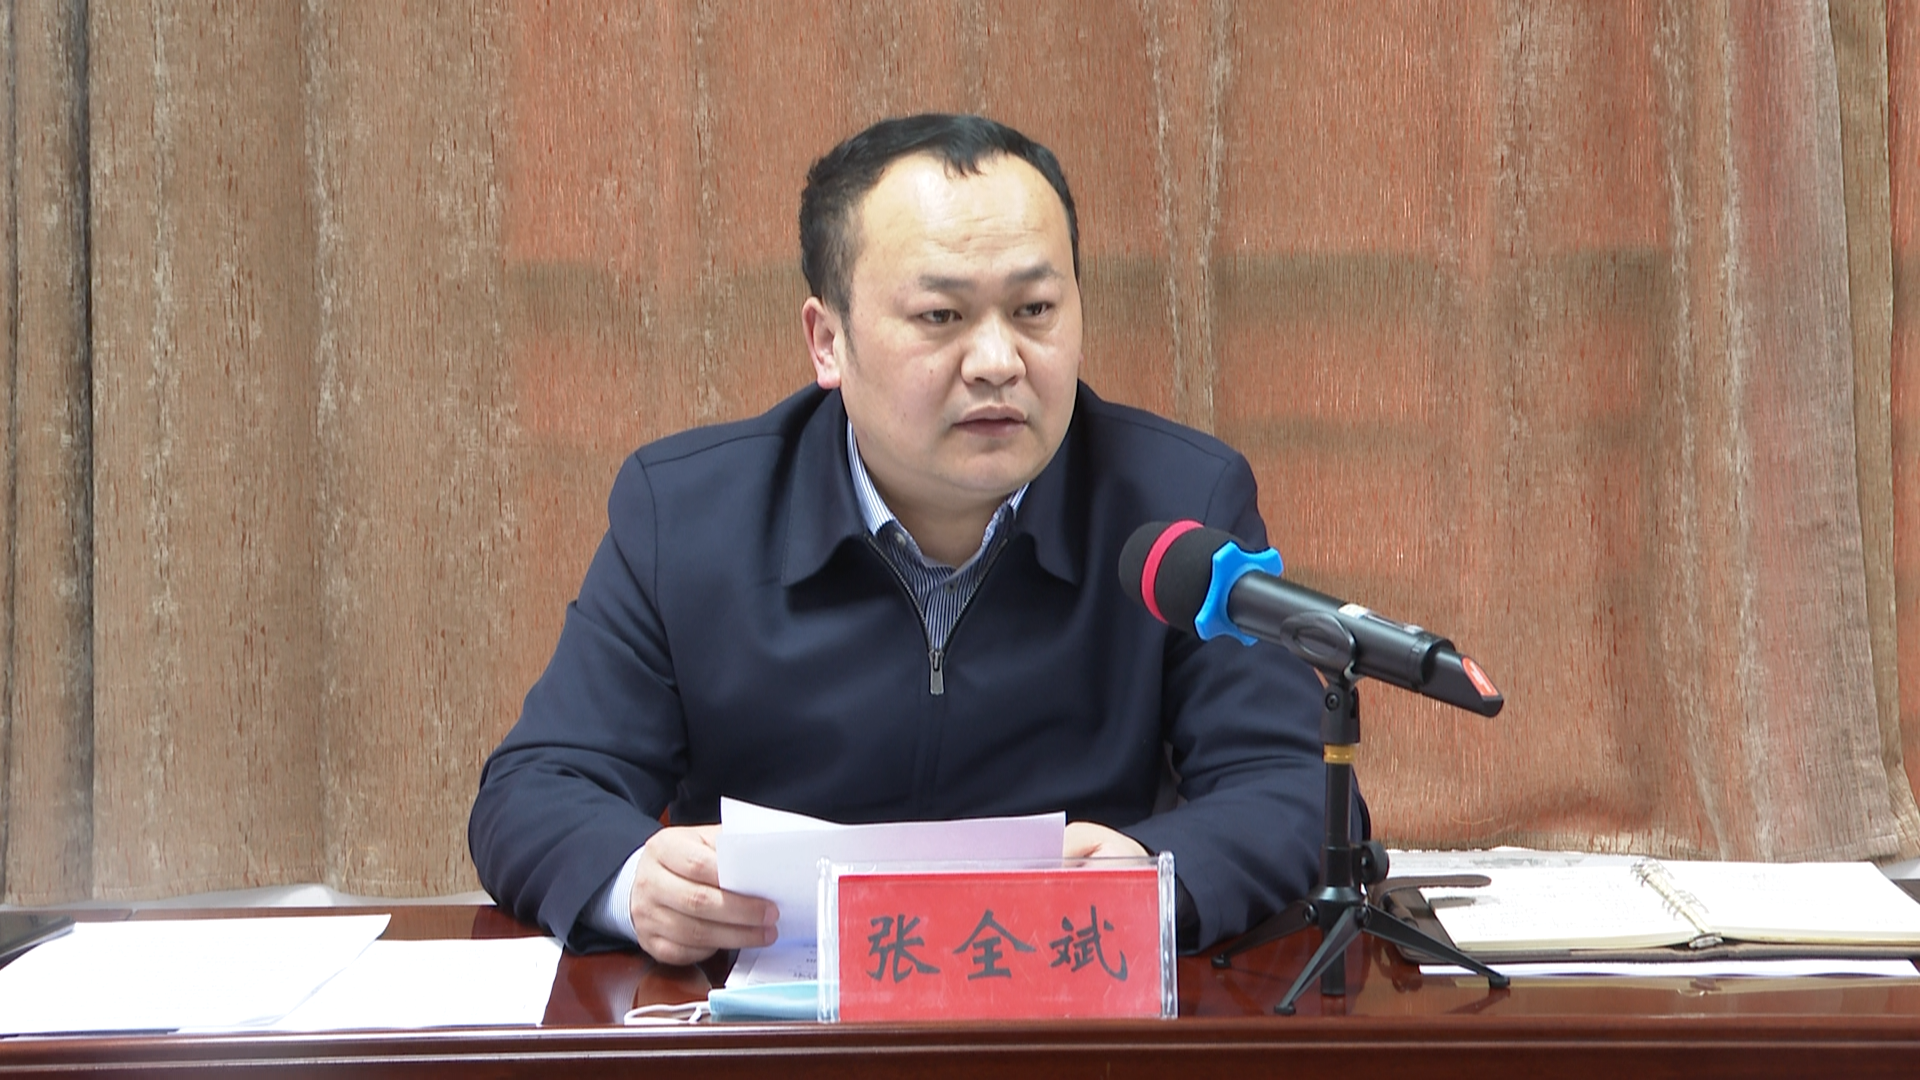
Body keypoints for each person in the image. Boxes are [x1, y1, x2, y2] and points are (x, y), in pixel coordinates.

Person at [469, 114, 1328, 964]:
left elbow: (1294, 790)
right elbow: (537, 788)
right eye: (941, 315)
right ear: (828, 341)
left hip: (1065, 998)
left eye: (1034, 309)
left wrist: (1150, 877)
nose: (998, 361)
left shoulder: (1174, 506)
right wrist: (634, 884)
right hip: (777, 1016)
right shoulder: (690, 514)